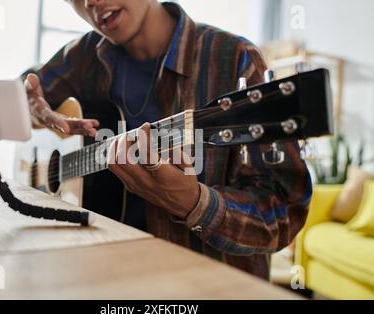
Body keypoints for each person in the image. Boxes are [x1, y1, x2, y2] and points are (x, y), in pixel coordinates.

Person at [24, 0, 312, 280]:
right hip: (99, 272)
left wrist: (194, 204)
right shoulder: (84, 55)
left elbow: (283, 214)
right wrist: (33, 110)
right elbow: (25, 90)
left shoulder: (233, 58)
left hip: (200, 287)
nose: (90, 2)